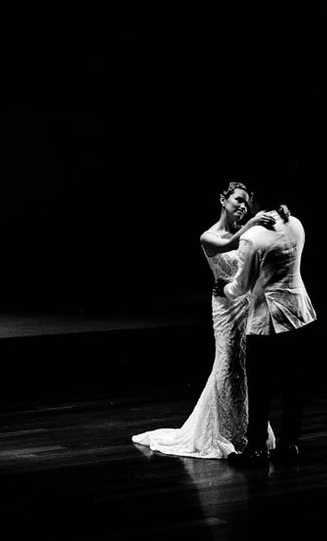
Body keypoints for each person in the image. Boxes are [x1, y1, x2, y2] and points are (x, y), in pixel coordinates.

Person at [132, 182, 264, 460]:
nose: (243, 206)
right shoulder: (208, 236)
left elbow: (250, 267)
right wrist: (253, 222)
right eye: (238, 200)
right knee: (227, 363)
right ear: (223, 200)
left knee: (243, 367)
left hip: (246, 303)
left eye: (247, 203)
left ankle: (242, 431)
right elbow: (230, 244)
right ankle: (215, 432)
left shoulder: (248, 232)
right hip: (226, 307)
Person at [234, 199, 316, 460]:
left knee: (260, 386)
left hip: (266, 319)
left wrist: (224, 288)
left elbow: (242, 285)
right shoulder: (297, 224)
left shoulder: (253, 237)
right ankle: (290, 444)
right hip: (298, 312)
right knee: (294, 385)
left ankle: (256, 446)